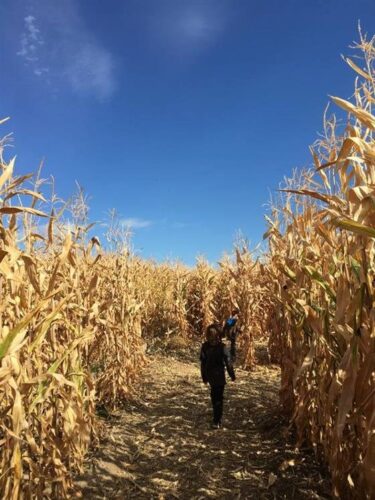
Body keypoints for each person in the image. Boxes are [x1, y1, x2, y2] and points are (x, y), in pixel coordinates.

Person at [200, 324, 235, 429]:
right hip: (219, 376)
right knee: (218, 398)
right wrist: (232, 375)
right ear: (219, 335)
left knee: (214, 397)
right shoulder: (222, 347)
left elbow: (203, 363)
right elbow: (228, 363)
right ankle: (217, 420)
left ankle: (216, 419)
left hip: (211, 376)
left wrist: (204, 377)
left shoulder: (205, 346)